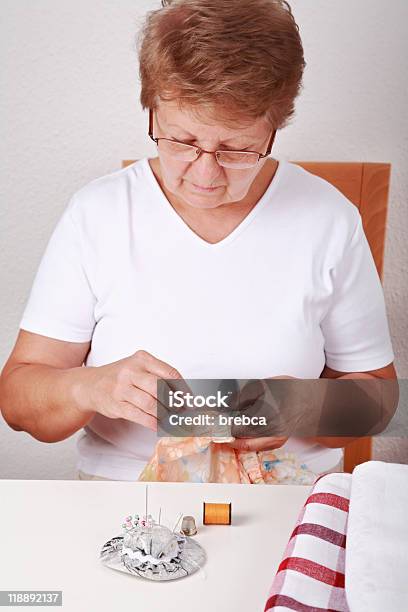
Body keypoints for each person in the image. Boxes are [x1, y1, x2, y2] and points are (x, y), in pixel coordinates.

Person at [0, 0, 396, 481]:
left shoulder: (328, 217)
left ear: (275, 127)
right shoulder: (98, 215)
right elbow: (19, 400)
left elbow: (380, 399)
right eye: (182, 141)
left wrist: (301, 408)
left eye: (236, 149)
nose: (205, 174)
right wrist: (93, 387)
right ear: (152, 110)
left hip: (289, 498)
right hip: (125, 502)